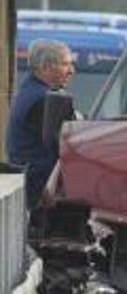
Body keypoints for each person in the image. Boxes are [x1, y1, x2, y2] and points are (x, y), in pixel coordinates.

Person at [7, 39, 75, 208]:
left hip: (28, 184)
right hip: (39, 191)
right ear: (45, 67)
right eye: (65, 64)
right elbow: (65, 145)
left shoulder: (29, 90)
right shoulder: (45, 99)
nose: (71, 71)